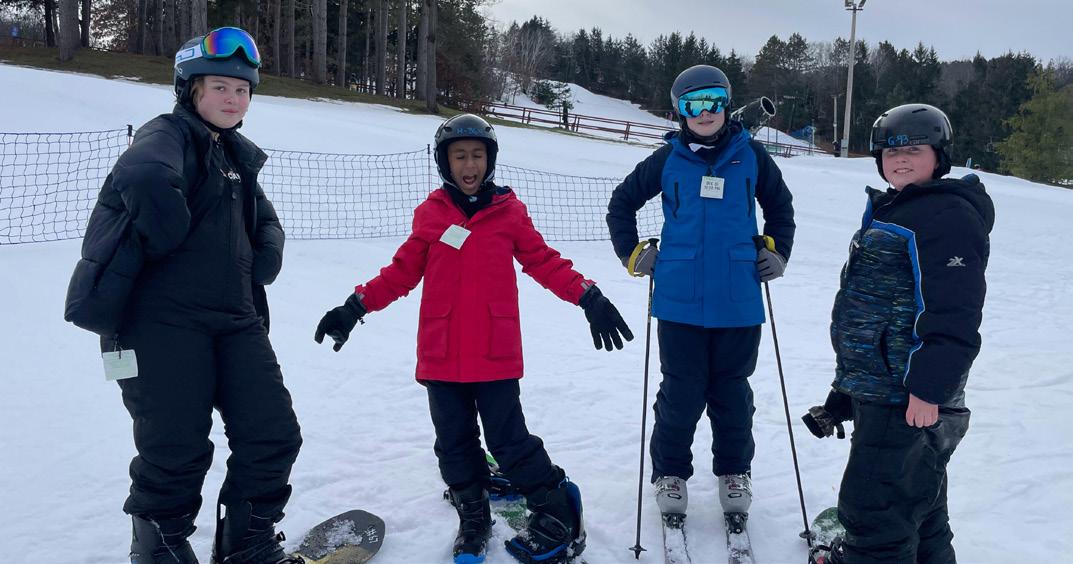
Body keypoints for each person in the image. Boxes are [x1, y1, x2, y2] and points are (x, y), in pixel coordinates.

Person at [314, 113, 633, 564]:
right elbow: (401, 272)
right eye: (460, 156)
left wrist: (588, 296)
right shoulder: (431, 214)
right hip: (441, 352)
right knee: (453, 442)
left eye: (478, 155)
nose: (469, 165)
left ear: (490, 160)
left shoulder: (508, 212)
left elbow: (543, 260)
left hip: (494, 351)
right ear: (444, 162)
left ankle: (557, 506)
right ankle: (473, 515)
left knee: (508, 440)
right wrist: (354, 307)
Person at [70, 27, 303, 564]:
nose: (233, 99)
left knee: (273, 432)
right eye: (220, 87)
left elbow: (266, 219)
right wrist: (167, 233)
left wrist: (266, 249)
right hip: (161, 321)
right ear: (190, 90)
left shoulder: (234, 155)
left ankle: (247, 543)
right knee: (175, 446)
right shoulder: (168, 132)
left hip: (234, 319)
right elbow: (144, 176)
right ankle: (160, 550)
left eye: (242, 90)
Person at [606, 64, 796, 525]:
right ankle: (670, 474)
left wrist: (777, 252)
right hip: (680, 299)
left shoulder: (751, 155)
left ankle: (734, 472)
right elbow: (621, 204)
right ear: (680, 112)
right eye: (693, 104)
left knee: (732, 395)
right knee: (681, 393)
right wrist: (633, 254)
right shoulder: (666, 160)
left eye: (713, 101)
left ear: (727, 104)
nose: (704, 112)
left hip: (738, 299)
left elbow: (781, 207)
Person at [804, 103, 993, 564]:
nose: (901, 159)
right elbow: (881, 315)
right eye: (891, 152)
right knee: (921, 507)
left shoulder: (945, 215)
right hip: (888, 389)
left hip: (908, 397)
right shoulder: (900, 209)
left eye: (914, 150)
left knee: (874, 513)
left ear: (939, 156)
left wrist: (929, 390)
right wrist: (845, 393)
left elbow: (954, 313)